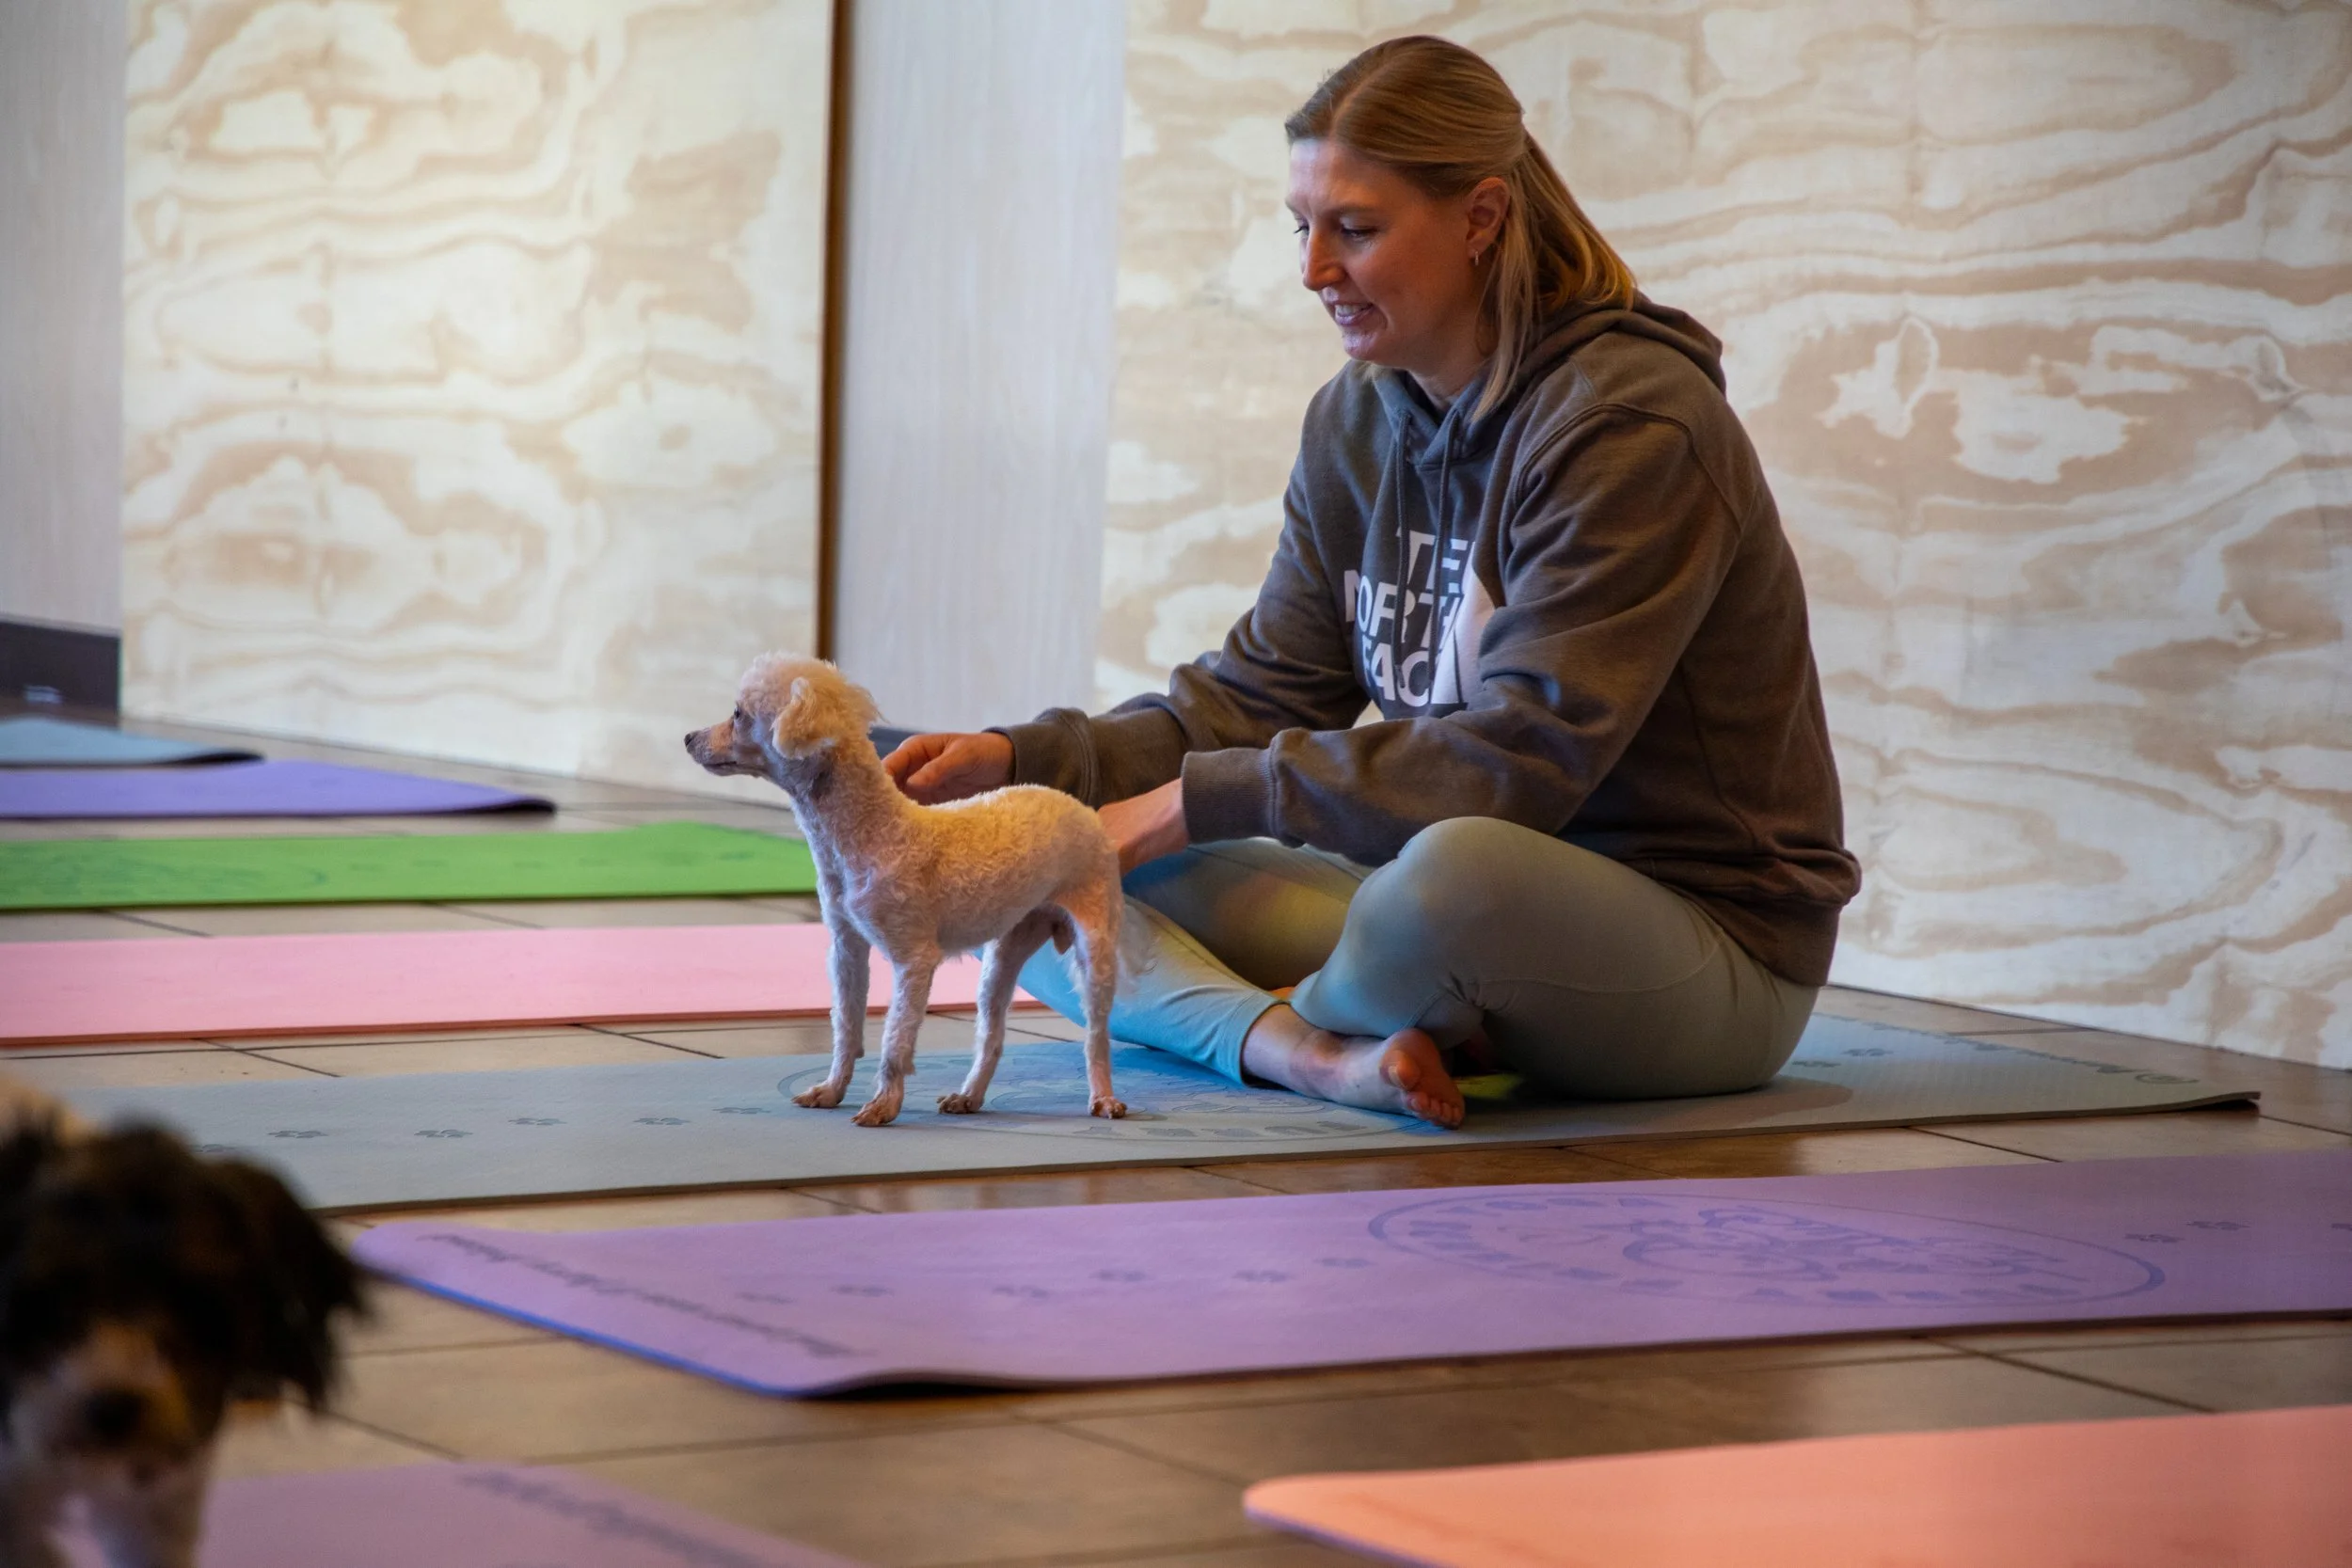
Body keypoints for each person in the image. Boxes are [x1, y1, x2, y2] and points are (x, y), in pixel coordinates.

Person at [883, 35, 1860, 1129]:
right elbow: (1255, 695)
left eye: (1354, 229)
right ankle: (1312, 1053)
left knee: (1449, 879)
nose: (1313, 271)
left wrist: (1185, 802)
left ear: (1482, 218)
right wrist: (1031, 758)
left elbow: (1520, 763)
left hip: (1700, 950)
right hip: (1438, 914)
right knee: (1050, 856)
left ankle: (1293, 1016)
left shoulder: (1629, 423)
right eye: (1303, 229)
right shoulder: (1356, 417)